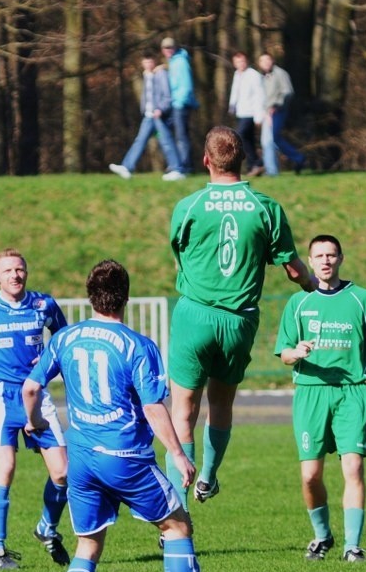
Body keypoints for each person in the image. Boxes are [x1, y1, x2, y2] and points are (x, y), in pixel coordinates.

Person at [22, 259, 235, 572]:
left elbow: (31, 388)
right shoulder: (137, 345)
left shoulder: (65, 338)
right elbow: (154, 408)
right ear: (127, 296)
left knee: (87, 546)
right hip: (125, 457)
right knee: (177, 527)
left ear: (90, 296)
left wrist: (34, 424)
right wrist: (178, 454)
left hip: (82, 458)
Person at [166, 125, 316, 519]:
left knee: (183, 410)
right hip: (238, 320)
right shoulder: (265, 207)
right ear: (244, 159)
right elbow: (294, 270)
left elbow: (179, 255)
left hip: (194, 314)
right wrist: (315, 286)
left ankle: (176, 515)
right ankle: (209, 477)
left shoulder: (189, 206)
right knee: (221, 403)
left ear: (205, 160)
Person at [275, 235, 366, 563]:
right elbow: (285, 353)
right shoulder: (298, 303)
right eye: (319, 255)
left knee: (354, 467)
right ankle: (322, 535)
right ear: (311, 261)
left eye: (331, 255)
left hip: (352, 393)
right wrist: (296, 352)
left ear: (341, 258)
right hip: (310, 393)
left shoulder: (361, 299)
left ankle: (353, 545)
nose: (326, 261)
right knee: (309, 475)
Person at [0, 248, 70, 570]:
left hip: (37, 394)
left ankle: (46, 528)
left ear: (26, 273)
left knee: (62, 472)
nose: (14, 275)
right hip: (1, 397)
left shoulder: (43, 304)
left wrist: (55, 365)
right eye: (7, 271)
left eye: (19, 270)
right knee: (5, 468)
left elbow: (63, 340)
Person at [109, 49, 184, 181]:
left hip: (159, 115)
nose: (148, 64)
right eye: (145, 62)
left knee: (166, 141)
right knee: (140, 140)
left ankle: (177, 169)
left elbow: (167, 95)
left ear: (154, 61)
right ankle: (127, 167)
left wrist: (160, 109)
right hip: (149, 115)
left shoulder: (161, 74)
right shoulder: (147, 75)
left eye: (150, 61)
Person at [258, 52, 306, 175]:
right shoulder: (263, 77)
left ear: (272, 60)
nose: (266, 63)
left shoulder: (280, 73)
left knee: (275, 138)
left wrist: (276, 105)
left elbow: (288, 92)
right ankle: (272, 169)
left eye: (268, 60)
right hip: (268, 112)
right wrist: (265, 112)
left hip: (279, 110)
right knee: (269, 141)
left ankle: (298, 158)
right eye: (262, 61)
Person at [161, 37, 199, 175]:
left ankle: (184, 166)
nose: (168, 50)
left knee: (181, 136)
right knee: (178, 134)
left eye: (170, 47)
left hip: (180, 104)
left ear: (175, 48)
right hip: (176, 103)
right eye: (165, 48)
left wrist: (179, 102)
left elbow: (186, 86)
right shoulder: (174, 62)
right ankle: (180, 164)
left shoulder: (180, 62)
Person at [228, 51, 265, 177]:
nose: (240, 64)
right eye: (237, 62)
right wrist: (232, 106)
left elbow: (259, 96)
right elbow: (235, 92)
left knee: (240, 136)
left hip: (251, 113)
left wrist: (258, 116)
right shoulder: (237, 75)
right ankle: (254, 165)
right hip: (241, 112)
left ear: (246, 61)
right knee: (248, 140)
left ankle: (256, 162)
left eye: (242, 61)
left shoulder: (253, 75)